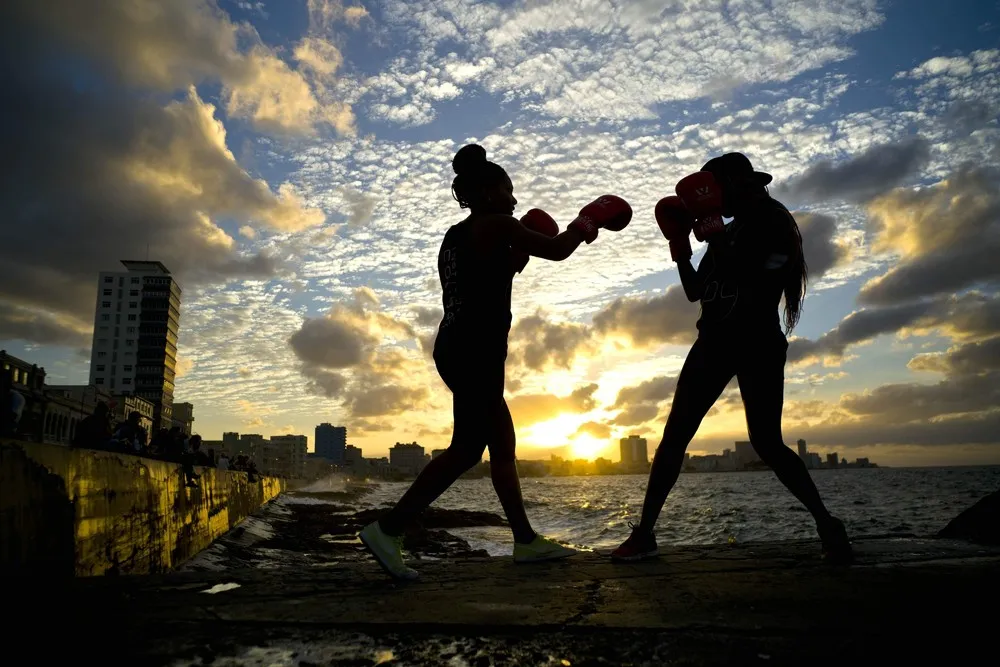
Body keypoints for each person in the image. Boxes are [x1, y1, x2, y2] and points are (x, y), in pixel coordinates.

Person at [360, 143, 632, 579]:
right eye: (509, 191)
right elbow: (559, 250)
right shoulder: (495, 223)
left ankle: (524, 541)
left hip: (458, 344)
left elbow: (492, 274)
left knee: (493, 447)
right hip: (474, 348)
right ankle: (389, 529)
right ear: (488, 192)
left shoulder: (456, 237)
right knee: (474, 448)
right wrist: (587, 221)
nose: (515, 200)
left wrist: (517, 250)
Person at [613, 152, 852, 563]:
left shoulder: (774, 220)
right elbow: (695, 291)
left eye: (715, 191)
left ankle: (826, 523)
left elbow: (758, 274)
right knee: (674, 436)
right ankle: (646, 533)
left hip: (757, 340)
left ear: (738, 183)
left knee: (767, 442)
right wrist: (680, 247)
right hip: (715, 341)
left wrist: (714, 234)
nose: (714, 202)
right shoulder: (729, 226)